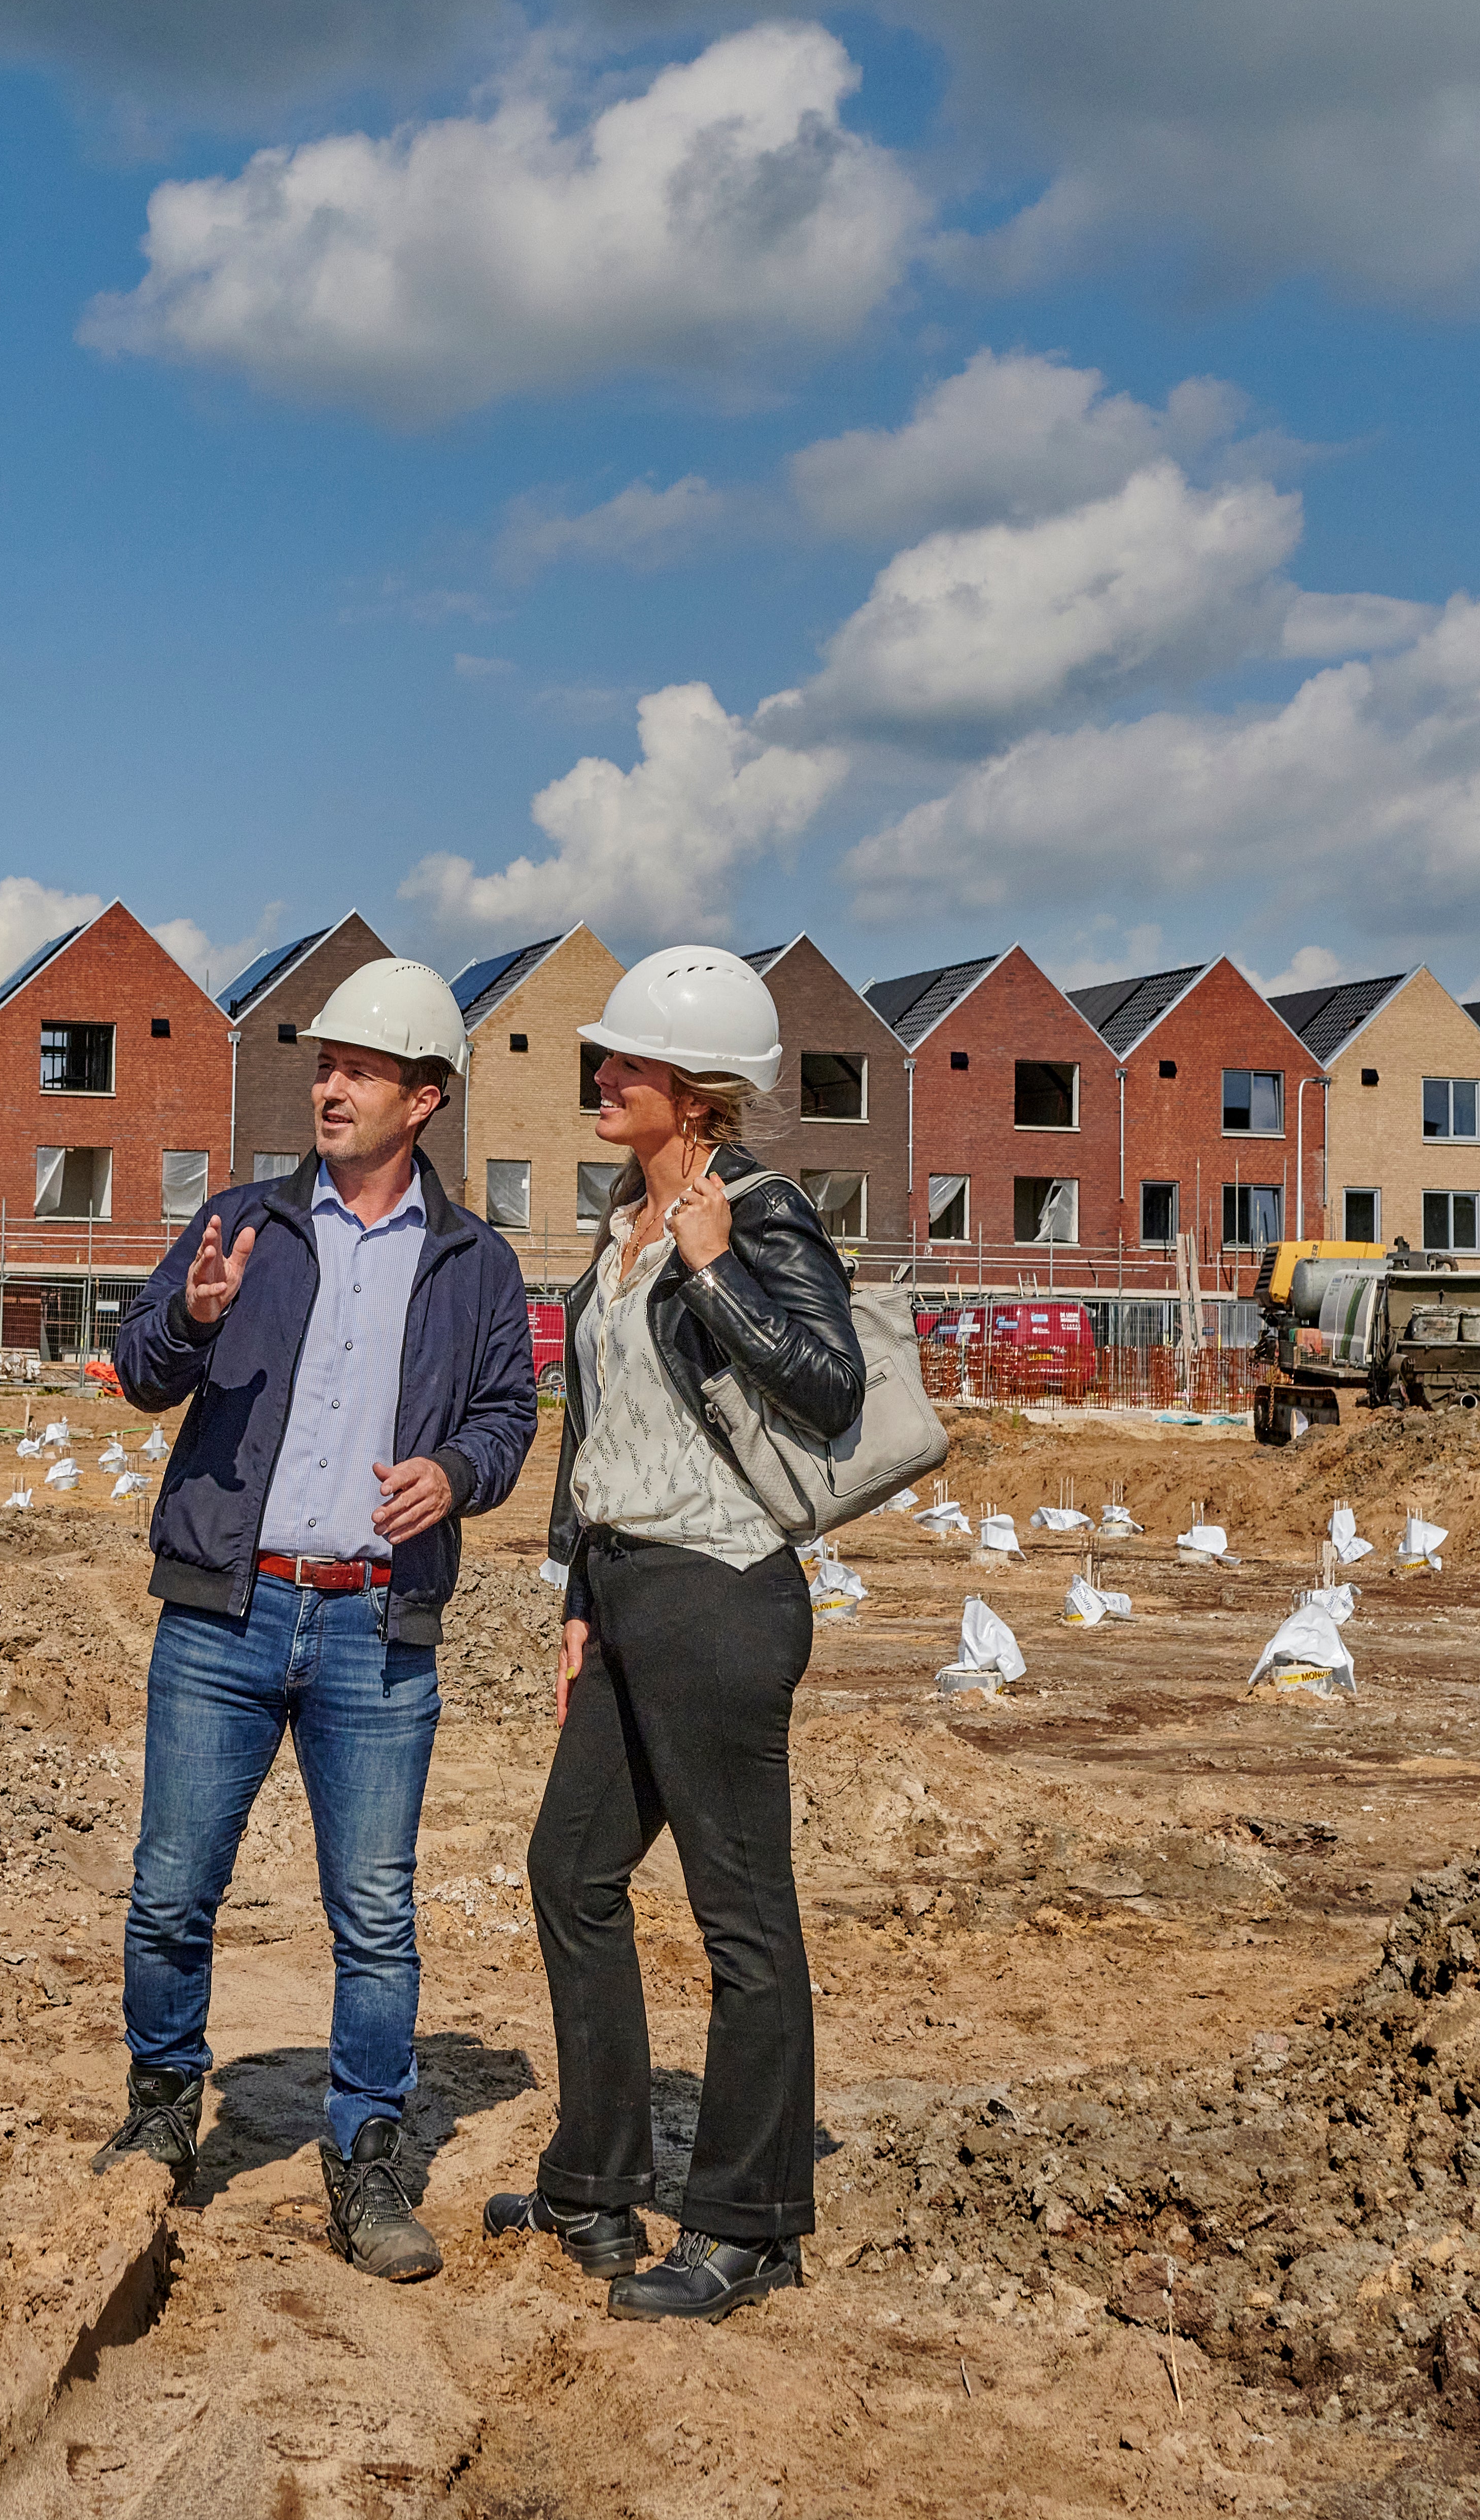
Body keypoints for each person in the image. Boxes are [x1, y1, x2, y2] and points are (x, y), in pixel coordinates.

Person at [102, 957, 541, 2280]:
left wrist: (457, 1476)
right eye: (324, 1064)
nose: (330, 1085)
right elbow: (134, 1368)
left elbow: (510, 1418)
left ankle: (365, 2156)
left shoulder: (475, 1263)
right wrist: (187, 1316)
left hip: (376, 1630)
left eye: (359, 1068)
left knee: (377, 1914)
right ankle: (165, 2112)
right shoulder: (242, 1223)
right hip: (225, 1618)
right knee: (173, 1892)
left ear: (427, 1097)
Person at [483, 943, 860, 2322]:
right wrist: (579, 1587)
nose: (603, 1075)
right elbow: (605, 1430)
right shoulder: (617, 1222)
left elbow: (829, 1388)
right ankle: (594, 2181)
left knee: (741, 1917)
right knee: (571, 1872)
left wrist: (712, 1275)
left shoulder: (752, 1214)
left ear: (698, 1094)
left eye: (628, 1061)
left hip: (721, 1595)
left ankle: (754, 2224)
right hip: (634, 1590)